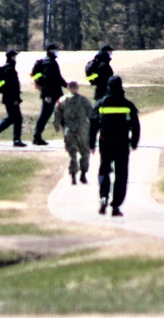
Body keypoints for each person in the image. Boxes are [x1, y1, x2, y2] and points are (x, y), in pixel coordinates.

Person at [89, 75, 140, 216]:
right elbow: (135, 125)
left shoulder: (101, 104)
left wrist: (91, 143)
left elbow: (93, 124)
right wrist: (134, 142)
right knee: (121, 174)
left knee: (104, 170)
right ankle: (116, 205)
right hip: (122, 143)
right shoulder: (127, 104)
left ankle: (104, 196)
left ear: (108, 87)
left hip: (105, 142)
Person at [54, 80, 93, 185]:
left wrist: (56, 125)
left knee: (72, 153)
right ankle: (83, 174)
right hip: (82, 129)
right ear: (77, 87)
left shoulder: (62, 100)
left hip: (69, 129)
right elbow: (91, 114)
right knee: (85, 151)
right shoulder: (84, 100)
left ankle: (73, 175)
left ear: (68, 88)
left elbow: (57, 114)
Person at [0, 49, 27, 147]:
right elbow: (12, 86)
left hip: (9, 97)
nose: (16, 58)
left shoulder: (8, 68)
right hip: (11, 98)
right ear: (11, 57)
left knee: (12, 118)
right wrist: (14, 98)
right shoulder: (9, 69)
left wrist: (1, 88)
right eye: (15, 56)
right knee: (17, 118)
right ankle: (15, 140)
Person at [31, 42, 67, 145]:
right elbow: (48, 80)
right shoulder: (49, 63)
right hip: (50, 94)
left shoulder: (51, 62)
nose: (57, 52)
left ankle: (68, 136)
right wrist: (47, 95)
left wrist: (66, 85)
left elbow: (57, 78)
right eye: (56, 50)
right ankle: (37, 137)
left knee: (61, 113)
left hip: (55, 92)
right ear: (50, 51)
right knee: (45, 115)